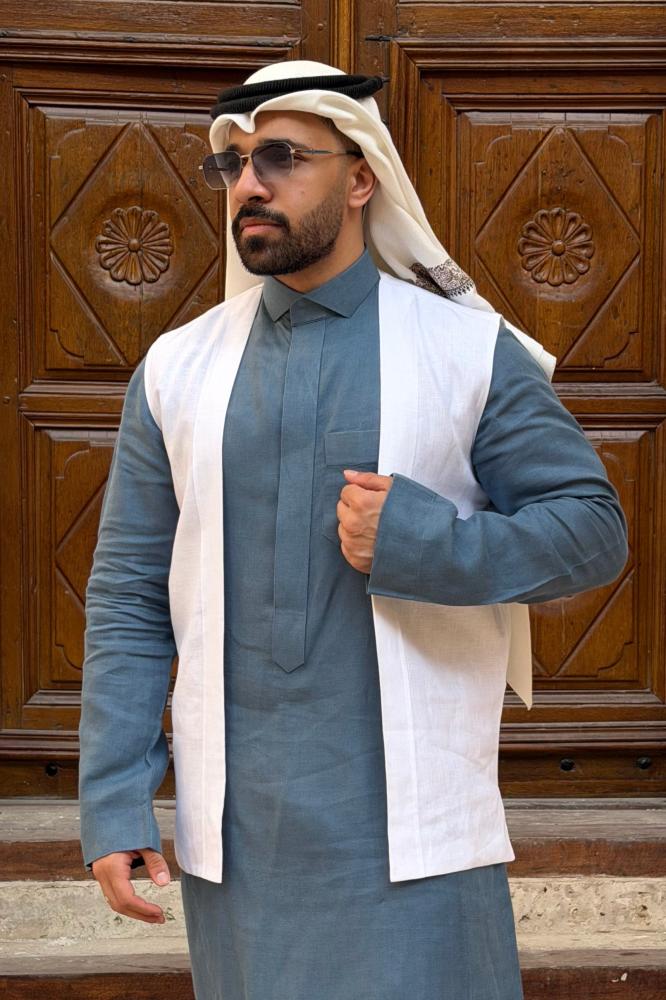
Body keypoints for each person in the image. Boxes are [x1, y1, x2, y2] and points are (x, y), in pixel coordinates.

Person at [79, 60, 628, 1000]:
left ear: (362, 177)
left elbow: (592, 530)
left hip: (416, 837)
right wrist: (115, 797)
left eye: (282, 158)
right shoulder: (175, 370)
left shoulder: (467, 351)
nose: (249, 185)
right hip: (241, 842)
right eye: (235, 164)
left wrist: (421, 541)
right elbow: (129, 595)